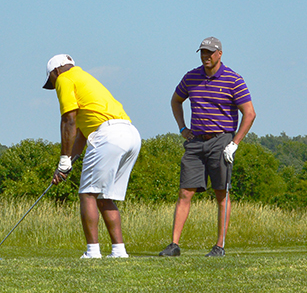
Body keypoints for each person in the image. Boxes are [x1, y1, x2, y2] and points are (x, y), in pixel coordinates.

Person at [160, 37, 255, 257]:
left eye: (210, 53)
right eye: (203, 52)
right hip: (195, 141)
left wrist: (234, 143)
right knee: (185, 191)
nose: (206, 56)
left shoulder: (233, 80)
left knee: (221, 193)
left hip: (221, 140)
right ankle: (174, 245)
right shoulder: (191, 77)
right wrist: (183, 127)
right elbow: (175, 100)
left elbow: (249, 114)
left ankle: (219, 246)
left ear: (220, 54)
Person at [43, 54, 142, 259]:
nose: (54, 85)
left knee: (87, 194)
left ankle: (92, 252)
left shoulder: (64, 78)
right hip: (130, 134)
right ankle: (119, 251)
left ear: (55, 71)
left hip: (108, 135)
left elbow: (68, 120)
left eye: (51, 81)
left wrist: (62, 160)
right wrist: (68, 163)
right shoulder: (84, 77)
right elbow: (80, 135)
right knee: (106, 197)